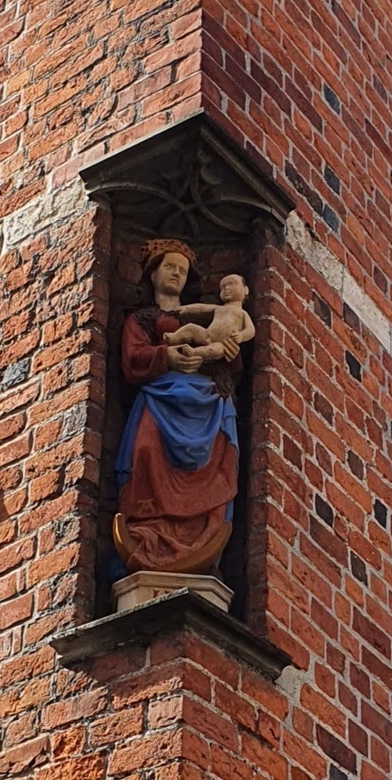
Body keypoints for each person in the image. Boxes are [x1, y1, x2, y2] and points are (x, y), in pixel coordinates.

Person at [113, 239, 245, 575]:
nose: (176, 274)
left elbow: (227, 359)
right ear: (153, 274)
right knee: (145, 449)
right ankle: (146, 535)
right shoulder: (142, 319)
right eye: (169, 266)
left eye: (183, 270)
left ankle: (203, 540)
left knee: (216, 462)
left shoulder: (203, 315)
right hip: (161, 397)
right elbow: (133, 357)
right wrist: (166, 356)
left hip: (207, 402)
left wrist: (230, 353)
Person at [163, 274, 255, 362]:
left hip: (221, 343)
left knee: (216, 350)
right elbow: (201, 308)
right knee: (191, 328)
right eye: (223, 287)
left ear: (246, 290)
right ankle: (173, 337)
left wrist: (242, 336)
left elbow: (251, 330)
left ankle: (194, 352)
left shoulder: (242, 313)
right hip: (206, 334)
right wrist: (186, 309)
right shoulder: (219, 308)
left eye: (232, 284)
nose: (226, 288)